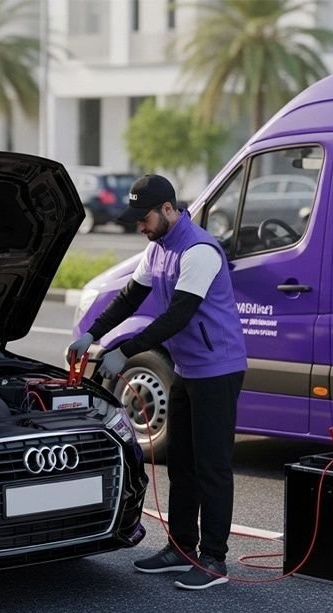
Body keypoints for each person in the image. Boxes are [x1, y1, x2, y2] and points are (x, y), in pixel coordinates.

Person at [68, 174, 247, 590]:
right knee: (181, 464)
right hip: (186, 369)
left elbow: (177, 316)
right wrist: (93, 334)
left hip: (218, 369)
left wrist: (127, 351)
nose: (139, 226)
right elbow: (130, 297)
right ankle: (181, 548)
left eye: (143, 218)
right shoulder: (158, 247)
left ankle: (214, 560)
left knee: (212, 466)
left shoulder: (199, 251)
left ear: (168, 209)